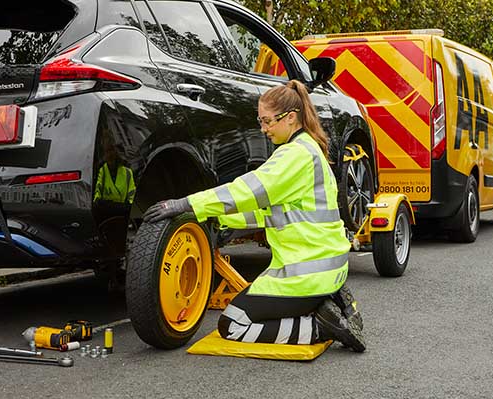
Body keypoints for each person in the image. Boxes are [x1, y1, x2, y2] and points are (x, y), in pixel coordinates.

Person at [143, 80, 365, 352]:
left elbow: (248, 192)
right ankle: (331, 300)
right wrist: (220, 219)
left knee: (233, 324)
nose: (263, 129)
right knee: (252, 307)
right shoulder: (309, 149)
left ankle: (322, 325)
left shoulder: (294, 156)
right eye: (260, 120)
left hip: (307, 274)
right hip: (326, 266)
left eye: (267, 121)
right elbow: (271, 213)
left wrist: (187, 204)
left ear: (291, 118)